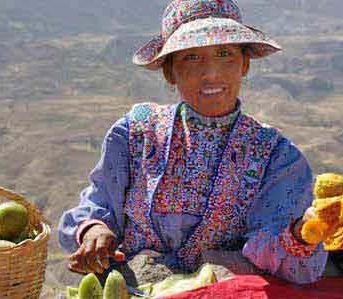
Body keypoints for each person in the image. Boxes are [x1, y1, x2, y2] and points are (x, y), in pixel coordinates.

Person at [58, 0, 328, 285]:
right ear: (169, 71)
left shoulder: (276, 156)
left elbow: (279, 246)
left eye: (225, 54)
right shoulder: (135, 132)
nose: (211, 73)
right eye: (192, 57)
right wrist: (93, 231)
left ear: (245, 64)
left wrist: (301, 233)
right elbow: (99, 202)